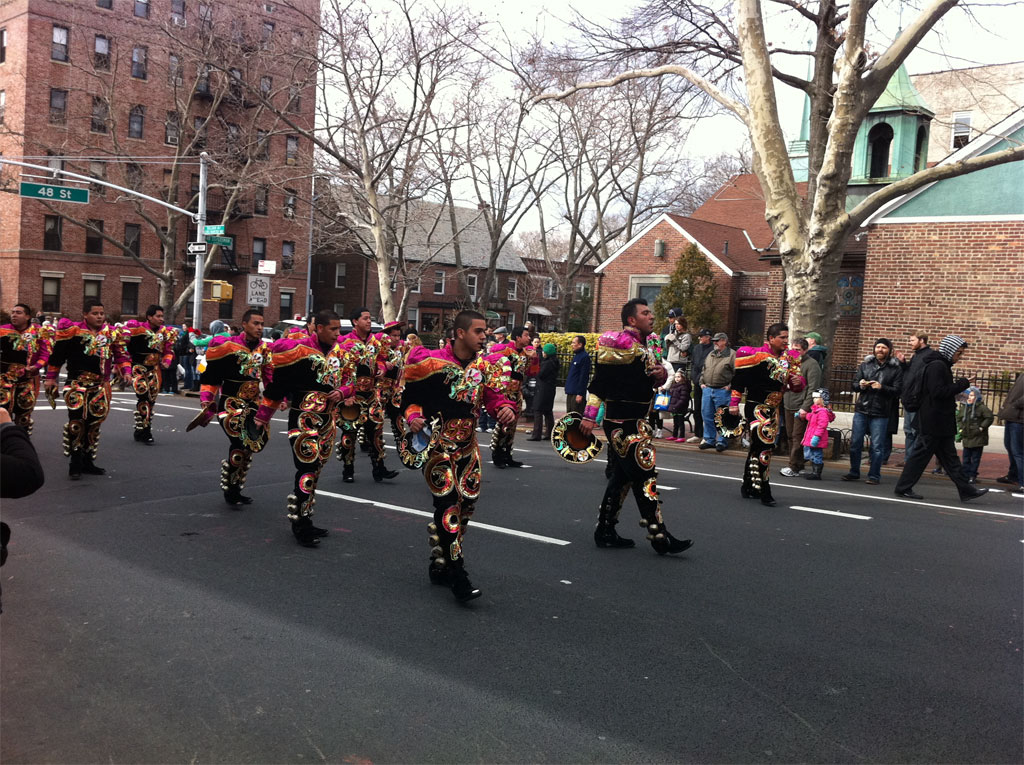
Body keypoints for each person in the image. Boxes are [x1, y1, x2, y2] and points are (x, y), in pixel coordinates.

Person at [402, 310, 518, 601]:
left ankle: (440, 562)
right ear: (461, 333)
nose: (484, 336)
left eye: (486, 332)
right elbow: (409, 398)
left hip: (468, 448)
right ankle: (457, 573)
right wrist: (413, 415)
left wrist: (505, 408)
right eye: (479, 331)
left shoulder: (482, 366)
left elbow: (492, 396)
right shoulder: (430, 362)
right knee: (448, 504)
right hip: (437, 447)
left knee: (466, 506)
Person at [580, 298, 693, 555]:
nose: (651, 316)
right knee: (644, 474)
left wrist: (660, 376)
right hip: (620, 420)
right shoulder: (617, 343)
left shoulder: (649, 343)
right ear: (632, 320)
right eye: (645, 313)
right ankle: (659, 536)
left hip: (639, 419)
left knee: (622, 478)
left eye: (650, 311)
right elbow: (600, 383)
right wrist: (589, 416)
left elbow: (650, 380)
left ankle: (605, 530)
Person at [256, 310, 354, 547]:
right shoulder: (297, 351)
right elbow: (278, 387)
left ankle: (306, 518)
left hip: (327, 422)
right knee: (307, 469)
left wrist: (342, 392)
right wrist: (262, 417)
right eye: (333, 329)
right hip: (303, 419)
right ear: (318, 328)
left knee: (316, 470)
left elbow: (351, 382)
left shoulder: (341, 353)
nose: (337, 334)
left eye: (339, 329)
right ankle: (299, 524)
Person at [893, 335, 988, 502]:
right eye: (958, 353)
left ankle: (966, 490)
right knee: (920, 457)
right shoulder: (937, 366)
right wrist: (962, 384)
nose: (959, 356)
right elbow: (938, 392)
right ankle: (903, 487)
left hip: (939, 421)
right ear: (950, 350)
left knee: (950, 459)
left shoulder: (940, 365)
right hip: (934, 421)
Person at [193, 309, 272, 506]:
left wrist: (275, 398)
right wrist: (206, 401)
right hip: (230, 405)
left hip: (253, 405)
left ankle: (235, 485)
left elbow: (269, 377)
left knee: (250, 447)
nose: (260, 328)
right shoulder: (226, 346)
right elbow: (211, 377)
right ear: (244, 324)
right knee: (240, 444)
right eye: (255, 323)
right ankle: (232, 489)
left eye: (262, 324)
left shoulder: (264, 350)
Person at [44, 301, 131, 480]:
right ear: (85, 314)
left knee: (93, 423)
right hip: (77, 383)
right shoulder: (73, 331)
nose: (99, 316)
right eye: (95, 313)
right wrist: (51, 378)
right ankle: (75, 463)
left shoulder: (111, 333)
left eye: (101, 313)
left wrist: (126, 372)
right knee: (76, 422)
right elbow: (58, 355)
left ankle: (88, 461)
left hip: (100, 385)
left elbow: (121, 354)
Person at [728, 323, 804, 506]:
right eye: (783, 338)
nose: (787, 341)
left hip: (774, 408)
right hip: (756, 407)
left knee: (757, 447)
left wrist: (796, 381)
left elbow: (798, 386)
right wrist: (734, 403)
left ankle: (748, 485)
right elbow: (739, 381)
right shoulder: (757, 356)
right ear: (771, 339)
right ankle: (764, 489)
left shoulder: (789, 359)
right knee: (764, 447)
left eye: (787, 337)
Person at [336, 308, 398, 483]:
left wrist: (382, 367)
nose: (369, 321)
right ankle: (348, 469)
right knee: (350, 433)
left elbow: (383, 359)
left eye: (370, 318)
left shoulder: (375, 342)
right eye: (365, 318)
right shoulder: (345, 342)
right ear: (355, 322)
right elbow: (340, 369)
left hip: (371, 394)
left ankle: (379, 468)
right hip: (352, 395)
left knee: (375, 432)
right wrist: (346, 394)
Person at [841, 339, 903, 486]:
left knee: (877, 445)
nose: (880, 350)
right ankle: (854, 471)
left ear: (889, 350)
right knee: (855, 442)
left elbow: (898, 390)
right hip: (862, 408)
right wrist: (861, 385)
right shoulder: (865, 365)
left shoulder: (895, 369)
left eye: (883, 347)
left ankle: (874, 475)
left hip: (881, 411)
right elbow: (854, 384)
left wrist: (882, 387)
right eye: (878, 347)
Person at [122, 304, 178, 445]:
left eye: (162, 316)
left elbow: (168, 350)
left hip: (154, 370)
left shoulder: (164, 332)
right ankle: (146, 430)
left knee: (151, 400)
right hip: (138, 368)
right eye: (158, 316)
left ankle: (140, 429)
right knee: (143, 396)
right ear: (149, 317)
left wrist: (166, 360)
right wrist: (124, 367)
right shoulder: (137, 330)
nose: (161, 319)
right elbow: (124, 348)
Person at [0, 302, 51, 436]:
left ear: (27, 316)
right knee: (2, 413)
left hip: (28, 381)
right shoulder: (3, 330)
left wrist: (36, 366)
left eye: (18, 312)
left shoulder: (39, 332)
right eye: (13, 312)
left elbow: (45, 354)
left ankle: (21, 444)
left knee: (23, 416)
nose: (14, 315)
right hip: (4, 380)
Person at [486, 326, 534, 468]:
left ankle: (507, 454)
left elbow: (529, 372)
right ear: (518, 337)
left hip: (517, 393)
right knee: (503, 424)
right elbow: (490, 362)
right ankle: (497, 455)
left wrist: (532, 359)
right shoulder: (504, 349)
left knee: (512, 426)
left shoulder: (526, 353)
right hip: (504, 393)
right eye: (526, 335)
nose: (529, 338)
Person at [780, 338, 821, 476]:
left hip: (801, 406)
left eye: (798, 349)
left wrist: (805, 407)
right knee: (790, 435)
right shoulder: (789, 363)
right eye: (793, 349)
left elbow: (813, 388)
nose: (794, 352)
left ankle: (793, 466)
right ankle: (798, 463)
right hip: (788, 404)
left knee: (798, 437)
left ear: (805, 350)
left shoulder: (811, 364)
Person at [894, 331, 929, 466]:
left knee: (915, 431)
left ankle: (913, 460)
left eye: (912, 340)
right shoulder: (916, 356)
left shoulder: (927, 356)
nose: (910, 343)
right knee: (909, 431)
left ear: (921, 341)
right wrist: (903, 363)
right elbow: (909, 374)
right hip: (909, 399)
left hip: (917, 400)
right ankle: (908, 459)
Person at [699, 331, 736, 452]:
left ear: (724, 341)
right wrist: (702, 382)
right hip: (708, 389)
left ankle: (722, 441)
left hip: (722, 390)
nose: (715, 343)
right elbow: (705, 369)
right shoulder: (711, 354)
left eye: (717, 341)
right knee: (707, 415)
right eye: (714, 341)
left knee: (722, 417)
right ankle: (709, 439)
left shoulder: (731, 355)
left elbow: (737, 372)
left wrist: (731, 385)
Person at [955, 387, 994, 484]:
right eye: (968, 395)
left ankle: (972, 475)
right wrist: (961, 428)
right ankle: (965, 474)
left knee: (975, 458)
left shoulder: (981, 408)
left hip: (978, 437)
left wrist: (981, 427)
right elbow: (959, 418)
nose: (969, 397)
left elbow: (989, 417)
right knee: (966, 457)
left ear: (977, 397)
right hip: (967, 436)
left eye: (972, 395)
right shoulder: (964, 407)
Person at [995, 369, 1023, 493]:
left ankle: (1022, 481)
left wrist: (1015, 404)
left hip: (1019, 418)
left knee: (1018, 451)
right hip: (1011, 415)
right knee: (1010, 447)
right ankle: (1013, 475)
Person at [800, 388, 835, 480]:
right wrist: (804, 415)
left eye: (816, 398)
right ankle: (814, 471)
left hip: (816, 437)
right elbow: (812, 417)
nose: (814, 400)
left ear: (822, 399)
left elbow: (822, 425)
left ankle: (816, 473)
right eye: (814, 398)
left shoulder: (822, 412)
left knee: (817, 454)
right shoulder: (817, 410)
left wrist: (816, 437)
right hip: (813, 435)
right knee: (814, 453)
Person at [528, 343, 559, 441]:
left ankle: (536, 434)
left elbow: (540, 374)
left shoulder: (546, 363)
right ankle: (549, 433)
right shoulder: (555, 362)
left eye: (544, 352)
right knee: (548, 411)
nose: (543, 353)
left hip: (542, 389)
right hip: (550, 389)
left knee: (538, 410)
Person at [688, 328, 713, 442]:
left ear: (708, 337)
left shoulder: (713, 349)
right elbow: (693, 363)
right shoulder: (697, 348)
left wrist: (701, 378)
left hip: (707, 382)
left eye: (702, 336)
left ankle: (707, 435)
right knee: (697, 408)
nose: (700, 338)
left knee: (707, 409)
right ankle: (698, 434)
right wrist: (694, 377)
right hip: (697, 381)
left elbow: (708, 366)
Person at [564, 335, 591, 415]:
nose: (572, 345)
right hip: (570, 390)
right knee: (569, 415)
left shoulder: (584, 357)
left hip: (576, 392)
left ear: (580, 344)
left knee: (575, 415)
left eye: (573, 343)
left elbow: (584, 376)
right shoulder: (576, 356)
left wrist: (580, 393)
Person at [666, 369, 691, 441]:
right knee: (675, 422)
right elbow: (672, 396)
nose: (677, 378)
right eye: (676, 377)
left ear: (683, 377)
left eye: (679, 377)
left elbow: (683, 399)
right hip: (674, 408)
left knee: (680, 423)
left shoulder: (684, 386)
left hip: (680, 408)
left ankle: (681, 436)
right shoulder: (674, 386)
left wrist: (676, 406)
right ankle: (674, 435)